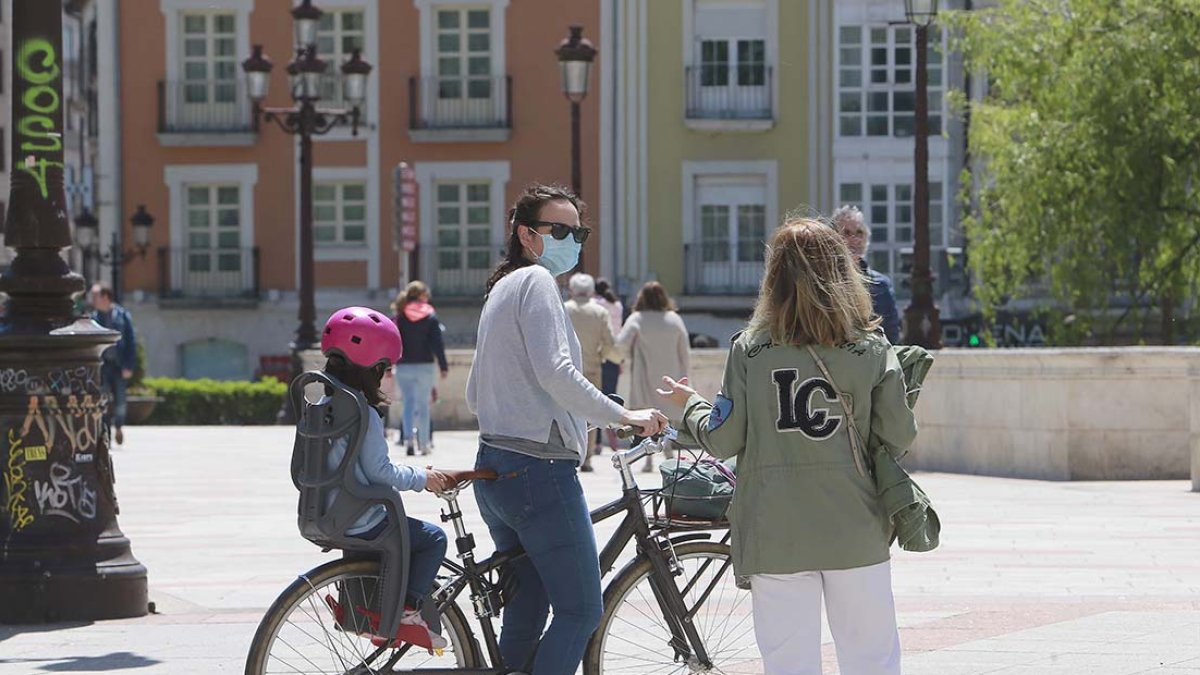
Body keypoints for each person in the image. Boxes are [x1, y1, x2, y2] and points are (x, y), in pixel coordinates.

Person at [657, 218, 918, 675]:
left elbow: (723, 438)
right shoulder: (872, 348)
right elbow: (898, 436)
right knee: (872, 659)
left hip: (775, 528)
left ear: (774, 277)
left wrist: (690, 405)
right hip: (854, 524)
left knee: (788, 663)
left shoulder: (750, 349)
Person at [467, 183, 669, 674]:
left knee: (529, 604)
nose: (571, 240)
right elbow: (556, 372)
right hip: (538, 472)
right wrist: (623, 417)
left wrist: (597, 407)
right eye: (558, 229)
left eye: (578, 231)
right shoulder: (535, 282)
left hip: (496, 467)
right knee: (580, 609)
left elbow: (476, 390)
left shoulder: (503, 288)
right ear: (526, 234)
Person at [318, 306, 459, 651]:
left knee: (384, 536)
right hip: (360, 516)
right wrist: (422, 478)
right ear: (372, 367)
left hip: (329, 512)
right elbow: (380, 472)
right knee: (433, 538)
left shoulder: (324, 405)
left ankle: (363, 609)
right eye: (383, 369)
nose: (385, 377)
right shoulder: (362, 413)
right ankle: (408, 609)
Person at [615, 281, 690, 472]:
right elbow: (684, 351)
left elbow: (621, 343)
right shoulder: (674, 319)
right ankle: (669, 451)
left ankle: (648, 459)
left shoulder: (637, 318)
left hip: (645, 376)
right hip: (669, 376)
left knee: (647, 419)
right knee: (668, 418)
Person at [564, 273, 619, 471]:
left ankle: (568, 453)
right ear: (591, 291)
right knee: (591, 413)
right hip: (593, 367)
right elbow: (610, 342)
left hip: (566, 367)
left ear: (572, 290)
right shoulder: (600, 312)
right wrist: (600, 356)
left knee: (566, 411)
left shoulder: (563, 309)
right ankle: (587, 458)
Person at [391, 281, 449, 456]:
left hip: (404, 366)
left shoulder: (400, 316)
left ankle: (408, 439)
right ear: (421, 295)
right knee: (424, 406)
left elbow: (393, 341)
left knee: (408, 403)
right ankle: (423, 444)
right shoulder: (430, 316)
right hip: (425, 365)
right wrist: (443, 365)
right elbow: (437, 343)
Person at [833, 205, 901, 344]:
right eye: (846, 233)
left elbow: (891, 336)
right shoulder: (825, 281)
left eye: (859, 233)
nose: (855, 239)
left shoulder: (881, 285)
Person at [89, 284, 137, 447]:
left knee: (120, 400)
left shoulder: (122, 316)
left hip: (119, 365)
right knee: (102, 400)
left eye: (96, 297)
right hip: (102, 366)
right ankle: (105, 434)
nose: (93, 300)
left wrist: (129, 366)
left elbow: (131, 341)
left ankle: (119, 427)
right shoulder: (94, 318)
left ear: (105, 297)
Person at [593, 277, 624, 451]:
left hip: (597, 356)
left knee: (595, 399)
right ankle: (614, 436)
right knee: (612, 398)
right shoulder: (617, 305)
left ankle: (597, 442)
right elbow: (618, 334)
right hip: (614, 356)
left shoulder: (594, 303)